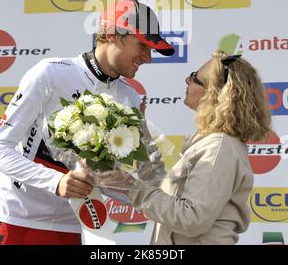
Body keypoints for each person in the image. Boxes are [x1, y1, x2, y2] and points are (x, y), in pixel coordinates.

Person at [0, 0, 174, 245]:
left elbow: (115, 177)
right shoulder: (50, 74)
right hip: (18, 219)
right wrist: (56, 181)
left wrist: (171, 199)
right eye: (142, 45)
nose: (148, 58)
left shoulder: (130, 98)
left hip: (73, 225)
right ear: (113, 35)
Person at [97, 50, 272, 245]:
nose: (187, 80)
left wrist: (131, 187)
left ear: (214, 93)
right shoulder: (209, 141)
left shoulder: (220, 147)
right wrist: (140, 130)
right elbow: (164, 189)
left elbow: (191, 218)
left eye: (194, 77)